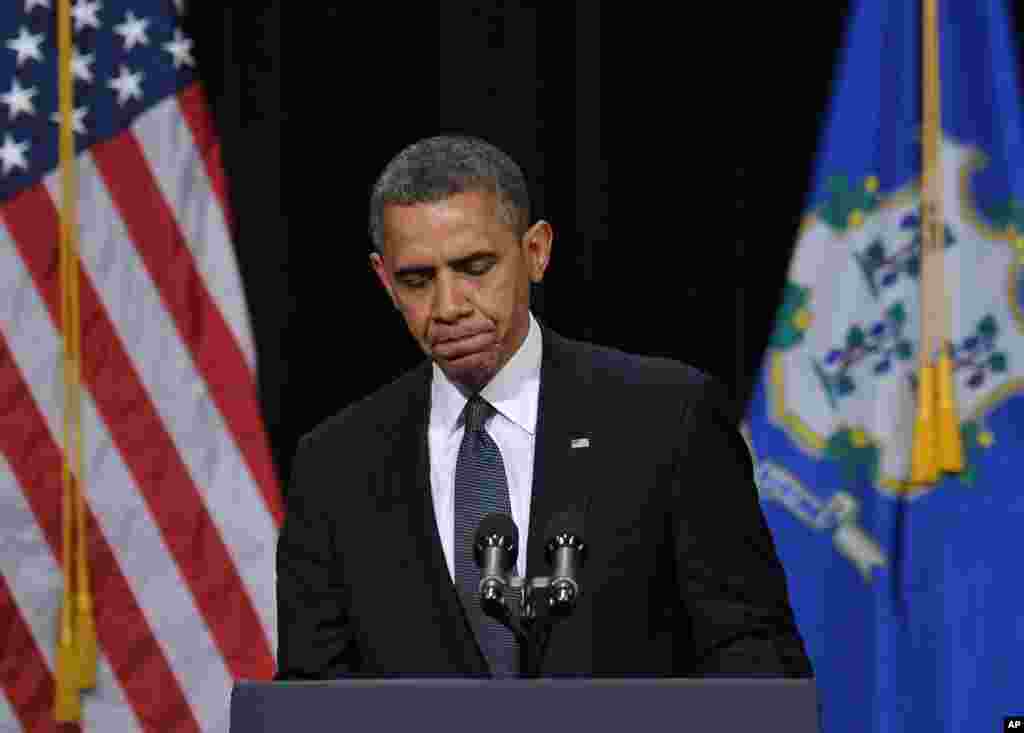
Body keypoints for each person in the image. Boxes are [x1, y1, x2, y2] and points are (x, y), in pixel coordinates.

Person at [275, 135, 813, 679]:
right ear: (384, 281)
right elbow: (312, 693)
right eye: (417, 280)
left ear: (535, 251)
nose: (448, 306)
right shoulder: (335, 466)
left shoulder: (667, 418)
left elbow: (753, 653)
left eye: (475, 267)